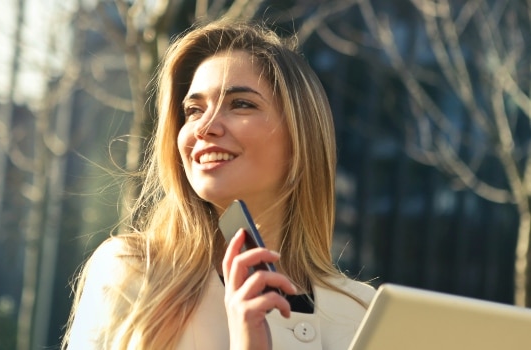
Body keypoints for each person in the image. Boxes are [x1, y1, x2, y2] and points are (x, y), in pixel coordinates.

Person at [63, 19, 375, 350]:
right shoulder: (133, 272)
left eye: (241, 103)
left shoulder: (363, 312)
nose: (204, 127)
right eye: (193, 110)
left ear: (301, 137)